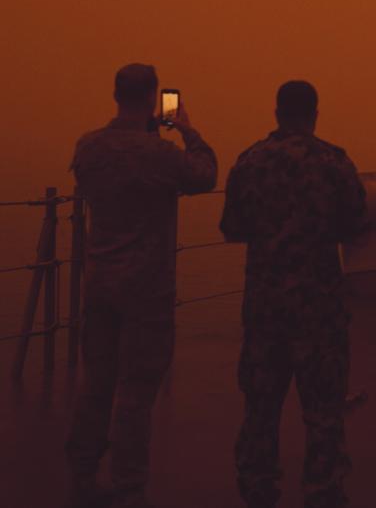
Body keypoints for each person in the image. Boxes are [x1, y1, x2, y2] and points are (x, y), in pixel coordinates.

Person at [65, 64, 217, 508]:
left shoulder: (88, 146)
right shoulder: (160, 154)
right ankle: (130, 488)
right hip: (147, 288)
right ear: (153, 98)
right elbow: (204, 175)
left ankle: (83, 475)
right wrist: (187, 129)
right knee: (135, 391)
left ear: (115, 94)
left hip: (99, 283)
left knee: (96, 383)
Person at [220, 81, 366, 508]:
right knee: (323, 411)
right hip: (319, 309)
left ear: (277, 112)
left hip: (265, 309)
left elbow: (232, 227)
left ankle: (258, 489)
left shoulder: (250, 163)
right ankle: (322, 492)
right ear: (315, 114)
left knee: (261, 408)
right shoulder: (333, 163)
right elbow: (356, 226)